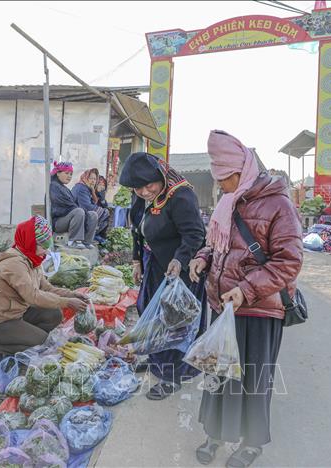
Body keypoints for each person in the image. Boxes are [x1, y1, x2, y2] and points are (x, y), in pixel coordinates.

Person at [189, 130, 303, 468]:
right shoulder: (228, 201)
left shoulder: (277, 204)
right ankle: (215, 434)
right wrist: (202, 258)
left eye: (226, 178)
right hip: (224, 307)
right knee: (218, 375)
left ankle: (252, 444)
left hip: (259, 310)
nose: (221, 185)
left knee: (253, 380)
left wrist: (247, 289)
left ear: (244, 170)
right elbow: (217, 243)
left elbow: (290, 261)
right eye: (218, 178)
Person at [119, 151, 207, 400]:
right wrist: (137, 260)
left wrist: (180, 260)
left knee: (176, 321)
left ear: (160, 176)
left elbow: (194, 234)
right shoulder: (141, 197)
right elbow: (137, 230)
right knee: (149, 311)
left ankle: (173, 374)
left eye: (149, 185)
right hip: (157, 264)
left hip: (185, 268)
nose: (145, 192)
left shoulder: (180, 195)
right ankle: (157, 359)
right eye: (138, 188)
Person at [0, 215, 88, 361]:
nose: (46, 250)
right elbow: (33, 296)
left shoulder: (32, 260)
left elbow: (47, 288)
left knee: (54, 314)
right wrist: (67, 302)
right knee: (43, 342)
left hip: (16, 314)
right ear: (30, 241)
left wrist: (72, 295)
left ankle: (22, 338)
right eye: (43, 245)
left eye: (47, 245)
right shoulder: (14, 264)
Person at [50, 161, 98, 249]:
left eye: (71, 174)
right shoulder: (53, 186)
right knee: (79, 211)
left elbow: (72, 205)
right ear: (58, 174)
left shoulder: (65, 189)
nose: (69, 176)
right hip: (58, 222)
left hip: (69, 219)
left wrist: (86, 214)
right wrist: (81, 211)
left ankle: (87, 242)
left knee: (93, 215)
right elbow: (66, 206)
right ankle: (74, 241)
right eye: (67, 173)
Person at [71, 168, 110, 244]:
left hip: (82, 214)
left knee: (103, 213)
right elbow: (87, 206)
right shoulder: (81, 188)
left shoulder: (88, 189)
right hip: (77, 216)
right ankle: (88, 238)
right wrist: (103, 211)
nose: (93, 181)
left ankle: (92, 238)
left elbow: (102, 203)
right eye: (90, 178)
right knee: (103, 213)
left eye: (95, 179)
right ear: (85, 178)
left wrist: (99, 194)